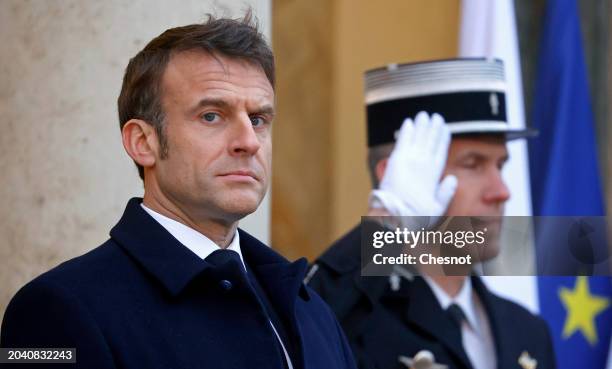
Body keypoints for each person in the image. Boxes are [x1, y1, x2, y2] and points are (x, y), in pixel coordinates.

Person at [1, 13, 356, 369]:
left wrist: (400, 228)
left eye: (258, 119)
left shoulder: (308, 307)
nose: (248, 141)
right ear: (143, 142)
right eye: (212, 116)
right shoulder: (55, 310)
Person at [307, 59, 556, 369]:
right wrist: (388, 217)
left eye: (500, 165)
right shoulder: (355, 321)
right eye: (473, 164)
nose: (502, 191)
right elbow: (298, 332)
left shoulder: (527, 331)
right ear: (396, 176)